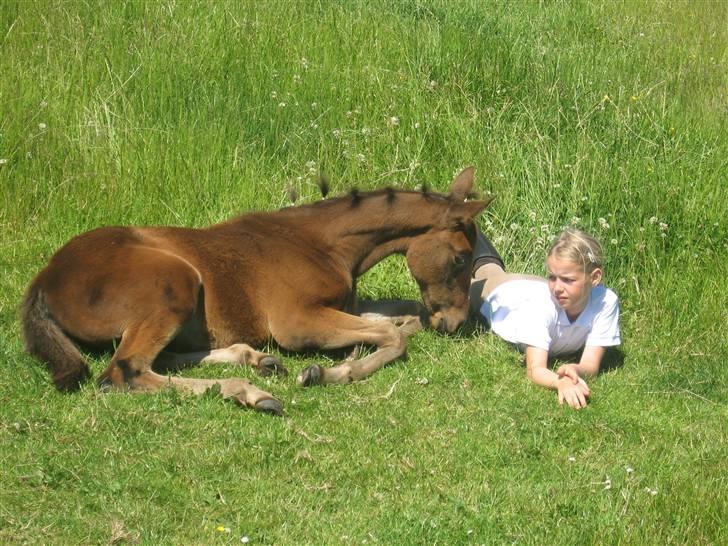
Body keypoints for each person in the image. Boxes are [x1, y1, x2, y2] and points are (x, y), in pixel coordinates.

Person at [469, 229, 621, 409]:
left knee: (493, 271)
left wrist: (575, 370)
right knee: (458, 288)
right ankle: (466, 227)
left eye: (568, 280)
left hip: (532, 284)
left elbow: (590, 364)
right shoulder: (542, 306)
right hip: (502, 295)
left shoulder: (605, 302)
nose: (557, 287)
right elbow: (535, 369)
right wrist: (559, 382)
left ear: (594, 277)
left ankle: (469, 229)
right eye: (552, 277)